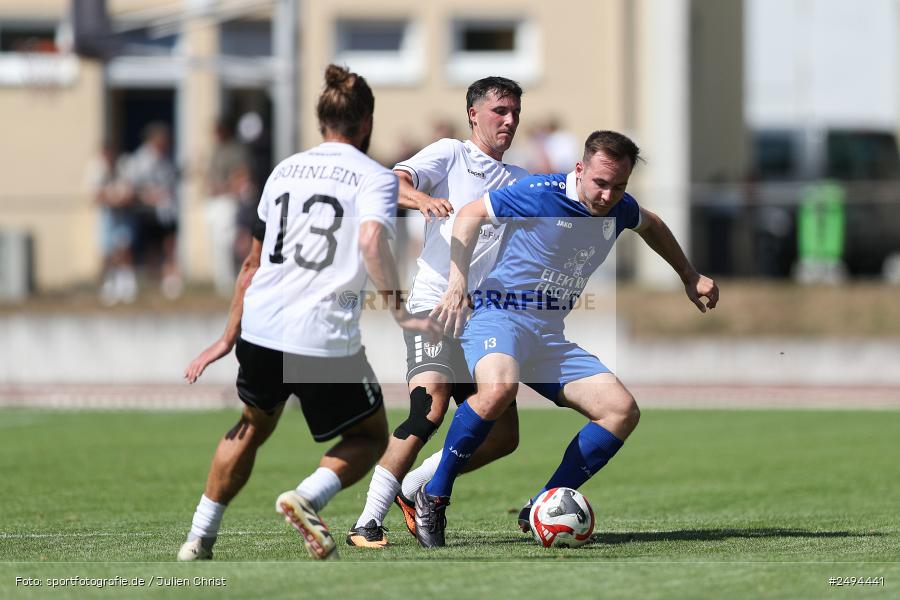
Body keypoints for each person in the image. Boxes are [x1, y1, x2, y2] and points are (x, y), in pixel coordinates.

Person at [176, 65, 439, 561]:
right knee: (368, 435)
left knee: (252, 425)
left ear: (322, 123)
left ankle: (198, 539)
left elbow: (251, 262)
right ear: (366, 124)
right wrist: (401, 311)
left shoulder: (283, 171)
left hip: (260, 326)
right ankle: (308, 498)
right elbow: (369, 241)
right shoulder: (375, 177)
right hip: (318, 335)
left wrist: (227, 336)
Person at [414, 130, 720, 547]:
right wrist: (457, 280)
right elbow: (469, 214)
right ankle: (433, 495)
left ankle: (543, 502)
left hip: (547, 336)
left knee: (621, 411)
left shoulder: (620, 207)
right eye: (601, 182)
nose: (609, 194)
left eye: (619, 186)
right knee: (498, 387)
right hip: (497, 316)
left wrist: (689, 275)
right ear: (580, 169)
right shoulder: (541, 192)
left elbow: (653, 225)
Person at [346, 77, 530, 548]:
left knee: (503, 434)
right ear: (474, 114)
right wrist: (422, 198)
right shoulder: (451, 153)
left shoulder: (517, 180)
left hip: (482, 317)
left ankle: (418, 485)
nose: (509, 120)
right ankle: (367, 521)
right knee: (429, 407)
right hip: (433, 303)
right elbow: (393, 181)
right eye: (499, 111)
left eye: (514, 112)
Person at [121, 122, 182, 298]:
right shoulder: (140, 159)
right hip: (149, 210)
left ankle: (170, 278)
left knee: (170, 243)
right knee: (153, 247)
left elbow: (171, 179)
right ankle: (153, 278)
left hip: (167, 209)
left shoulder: (167, 158)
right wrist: (149, 195)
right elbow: (133, 186)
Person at [205, 116, 252, 296]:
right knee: (217, 242)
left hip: (229, 200)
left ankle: (232, 280)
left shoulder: (236, 151)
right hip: (215, 201)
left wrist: (223, 187)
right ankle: (222, 280)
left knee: (228, 241)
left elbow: (241, 176)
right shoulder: (217, 150)